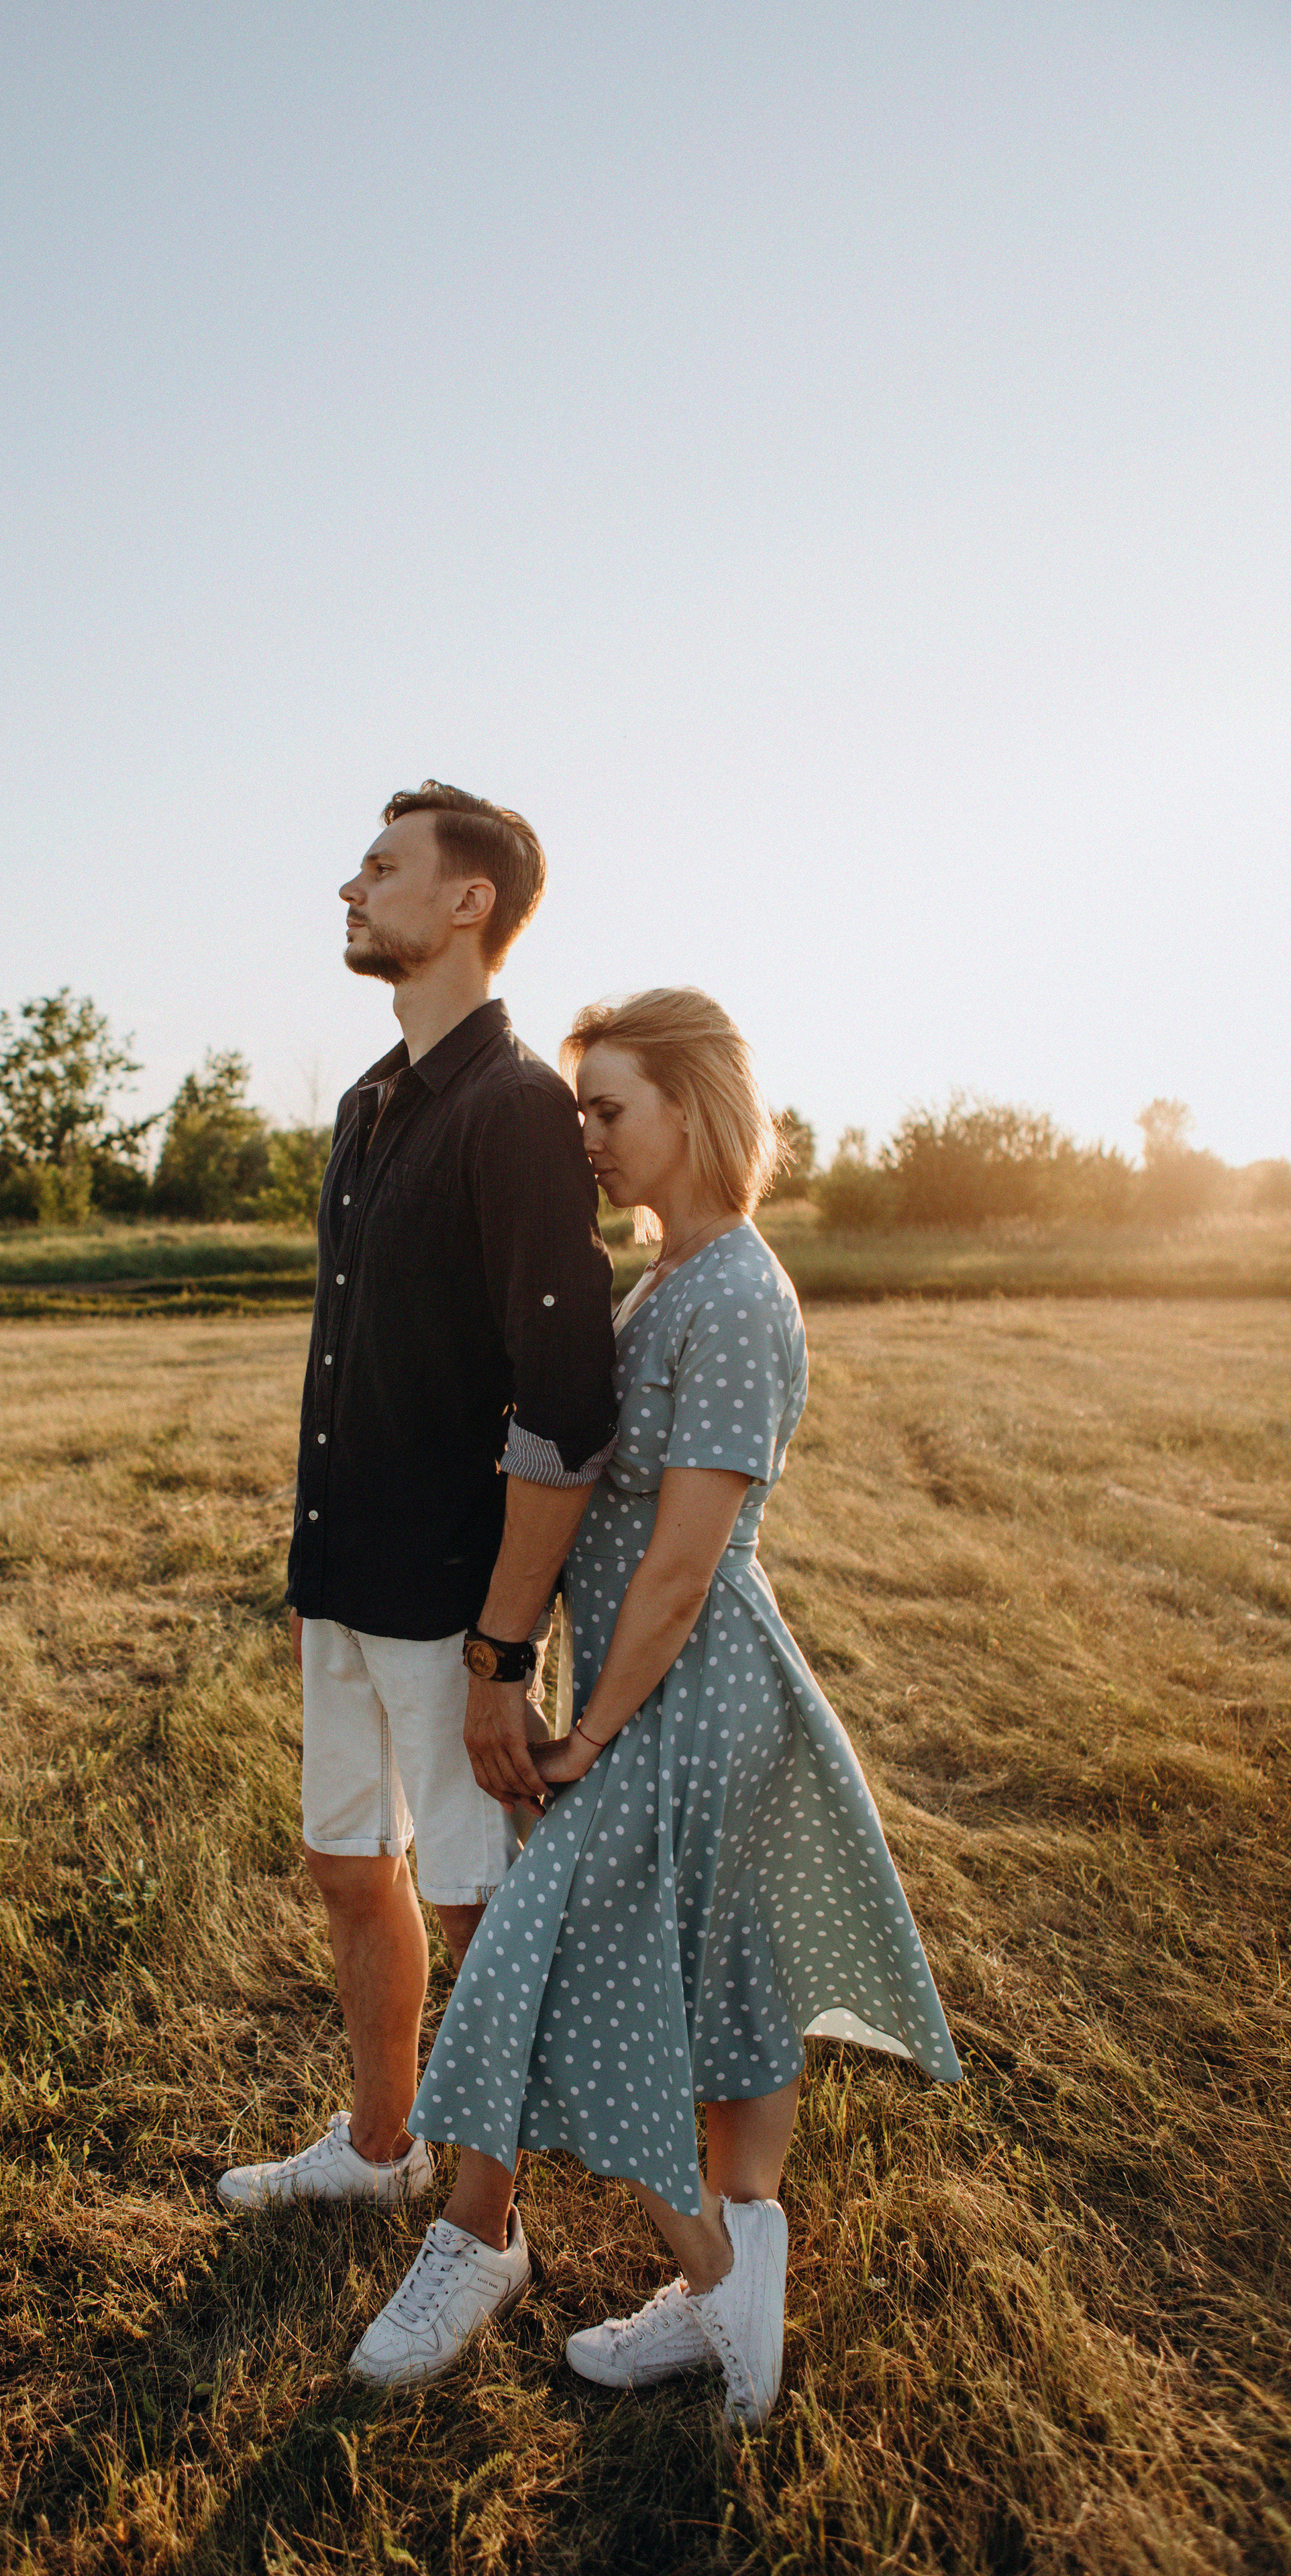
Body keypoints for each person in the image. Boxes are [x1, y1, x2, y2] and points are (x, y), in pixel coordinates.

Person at [348, 986, 961, 2417]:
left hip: (684, 1688)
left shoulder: (738, 1293)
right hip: (656, 1686)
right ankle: (723, 2283)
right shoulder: (671, 1280)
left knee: (540, 1971)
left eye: (606, 1110)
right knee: (708, 1981)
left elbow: (681, 1566)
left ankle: (704, 2278)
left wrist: (587, 1731)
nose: (587, 1140)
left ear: (689, 1110)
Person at [216, 784, 617, 2255]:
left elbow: (564, 1397)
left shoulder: (516, 1109)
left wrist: (499, 1653)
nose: (349, 887)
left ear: (466, 904)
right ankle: (378, 2146)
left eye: (380, 868)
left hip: (451, 1607)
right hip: (343, 1575)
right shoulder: (371, 1100)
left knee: (476, 1917)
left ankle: (485, 2237)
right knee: (345, 1866)